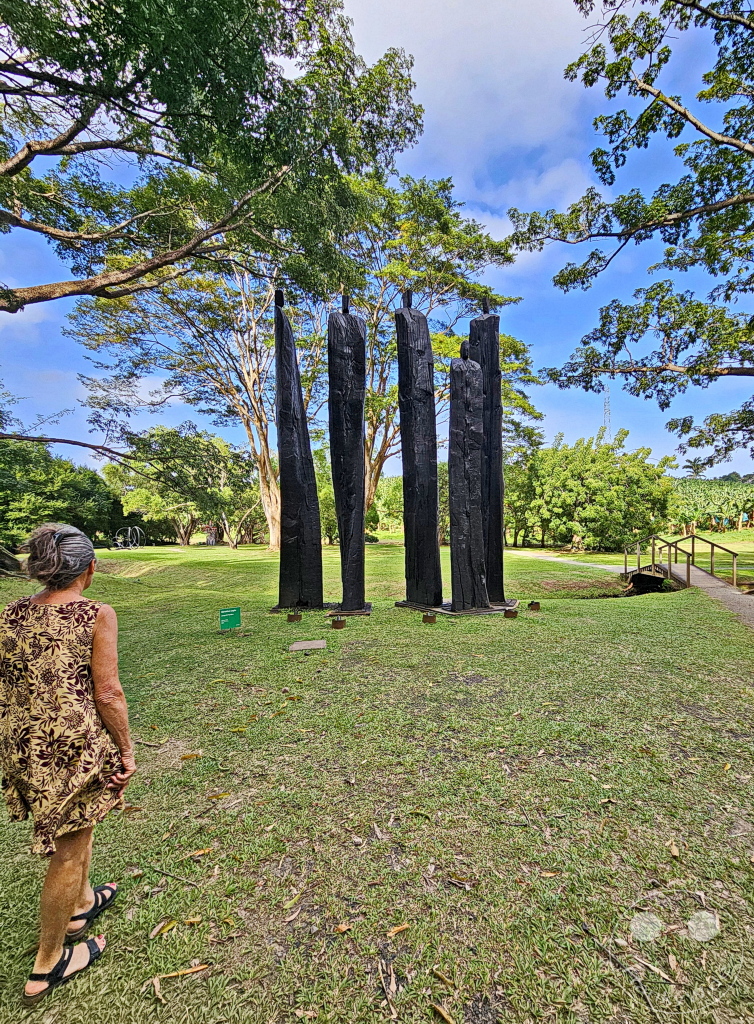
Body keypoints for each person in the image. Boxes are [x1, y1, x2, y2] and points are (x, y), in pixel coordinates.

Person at [0, 524, 137, 1005]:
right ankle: (48, 962)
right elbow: (108, 692)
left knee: (81, 823)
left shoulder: (11, 613)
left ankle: (81, 904)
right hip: (70, 749)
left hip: (23, 745)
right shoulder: (96, 613)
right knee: (69, 850)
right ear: (89, 568)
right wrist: (126, 750)